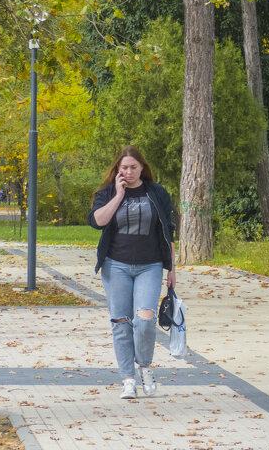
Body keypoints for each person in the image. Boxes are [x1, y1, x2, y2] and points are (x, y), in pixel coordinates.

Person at [89, 146, 177, 400]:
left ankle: (145, 368)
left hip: (149, 266)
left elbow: (169, 231)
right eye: (124, 168)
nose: (128, 172)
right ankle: (128, 380)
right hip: (116, 266)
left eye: (133, 167)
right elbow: (98, 221)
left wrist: (172, 268)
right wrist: (118, 195)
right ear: (118, 169)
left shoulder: (156, 192)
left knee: (145, 319)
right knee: (120, 322)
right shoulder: (106, 193)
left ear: (142, 168)